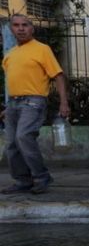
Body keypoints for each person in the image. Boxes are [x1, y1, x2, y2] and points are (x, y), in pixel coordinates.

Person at [1, 14, 70, 195]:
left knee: (24, 137)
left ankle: (41, 176)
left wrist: (64, 103)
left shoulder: (42, 49)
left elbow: (59, 76)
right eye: (16, 25)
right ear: (11, 29)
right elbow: (13, 82)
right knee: (11, 144)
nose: (21, 28)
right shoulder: (10, 55)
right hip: (13, 104)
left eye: (25, 25)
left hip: (33, 101)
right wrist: (7, 107)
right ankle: (23, 181)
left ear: (32, 28)